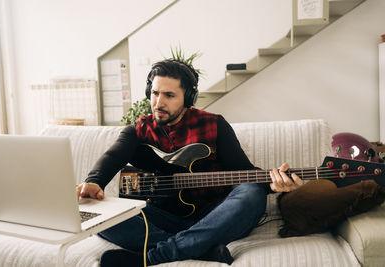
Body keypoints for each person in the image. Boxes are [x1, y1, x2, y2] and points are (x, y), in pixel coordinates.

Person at [76, 59, 303, 267]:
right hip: (159, 219)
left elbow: (243, 172)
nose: (159, 102)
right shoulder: (139, 129)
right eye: (154, 93)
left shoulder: (215, 125)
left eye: (169, 95)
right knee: (93, 213)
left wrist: (272, 184)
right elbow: (112, 157)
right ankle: (202, 248)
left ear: (188, 97)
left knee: (251, 194)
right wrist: (94, 182)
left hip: (215, 216)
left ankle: (156, 255)